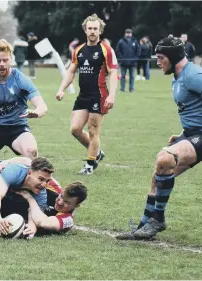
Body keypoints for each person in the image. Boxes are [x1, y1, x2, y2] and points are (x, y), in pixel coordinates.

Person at [116, 36, 202, 240]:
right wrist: (182, 135)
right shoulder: (177, 76)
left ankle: (158, 220)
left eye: (161, 58)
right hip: (193, 134)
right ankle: (143, 226)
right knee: (158, 174)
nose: (158, 62)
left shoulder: (194, 75)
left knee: (165, 159)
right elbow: (195, 110)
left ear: (172, 56)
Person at [56, 13, 118, 175]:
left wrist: (112, 96)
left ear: (100, 30)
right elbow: (71, 71)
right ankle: (97, 152)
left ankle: (90, 164)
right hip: (83, 96)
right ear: (85, 30)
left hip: (99, 95)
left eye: (95, 29)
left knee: (93, 130)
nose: (92, 31)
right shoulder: (79, 50)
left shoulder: (106, 50)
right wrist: (62, 89)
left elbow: (113, 73)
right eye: (89, 28)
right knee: (75, 129)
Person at [17, 181, 88, 234]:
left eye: (67, 202)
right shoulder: (53, 187)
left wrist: (30, 198)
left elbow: (43, 223)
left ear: (76, 206)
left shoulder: (67, 220)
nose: (60, 202)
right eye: (61, 196)